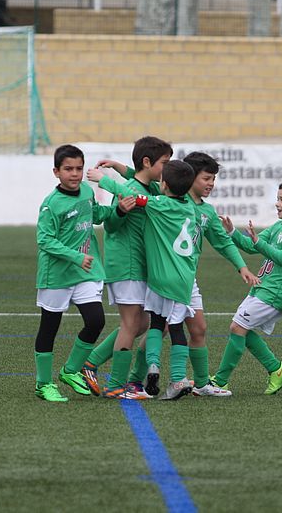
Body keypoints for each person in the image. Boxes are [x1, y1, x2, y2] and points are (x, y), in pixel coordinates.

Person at [87, 160, 198, 401]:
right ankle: (169, 377)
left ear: (164, 184)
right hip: (183, 277)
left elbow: (132, 193)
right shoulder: (189, 205)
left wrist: (103, 179)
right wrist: (120, 167)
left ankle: (145, 370)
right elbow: (138, 179)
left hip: (160, 274)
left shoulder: (158, 202)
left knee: (155, 324)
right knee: (167, 326)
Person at [34, 144, 134, 402]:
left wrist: (119, 210)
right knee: (49, 328)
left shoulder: (88, 192)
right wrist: (77, 256)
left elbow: (97, 216)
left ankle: (70, 371)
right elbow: (45, 240)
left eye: (79, 168)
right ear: (56, 172)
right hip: (57, 275)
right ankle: (43, 384)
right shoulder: (51, 204)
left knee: (95, 321)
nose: (75, 174)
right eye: (68, 169)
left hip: (86, 272)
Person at [79, 136, 171, 400]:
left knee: (148, 324)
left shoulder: (149, 189)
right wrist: (117, 206)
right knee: (132, 324)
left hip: (143, 266)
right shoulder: (128, 190)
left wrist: (120, 167)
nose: (167, 168)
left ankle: (93, 364)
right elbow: (111, 225)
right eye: (165, 163)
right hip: (126, 265)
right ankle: (118, 385)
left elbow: (140, 182)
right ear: (148, 162)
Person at [212, 180, 282, 395]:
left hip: (276, 292)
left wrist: (259, 242)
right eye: (277, 199)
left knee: (238, 327)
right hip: (263, 287)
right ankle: (276, 368)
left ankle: (220, 381)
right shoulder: (279, 226)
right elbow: (251, 246)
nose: (277, 204)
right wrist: (232, 232)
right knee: (241, 329)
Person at [182, 152, 259, 397]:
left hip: (188, 279)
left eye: (213, 179)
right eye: (206, 178)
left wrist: (242, 267)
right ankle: (125, 377)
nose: (211, 184)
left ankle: (202, 384)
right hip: (167, 276)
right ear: (190, 177)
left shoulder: (206, 211)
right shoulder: (174, 202)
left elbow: (223, 242)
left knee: (199, 329)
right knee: (145, 327)